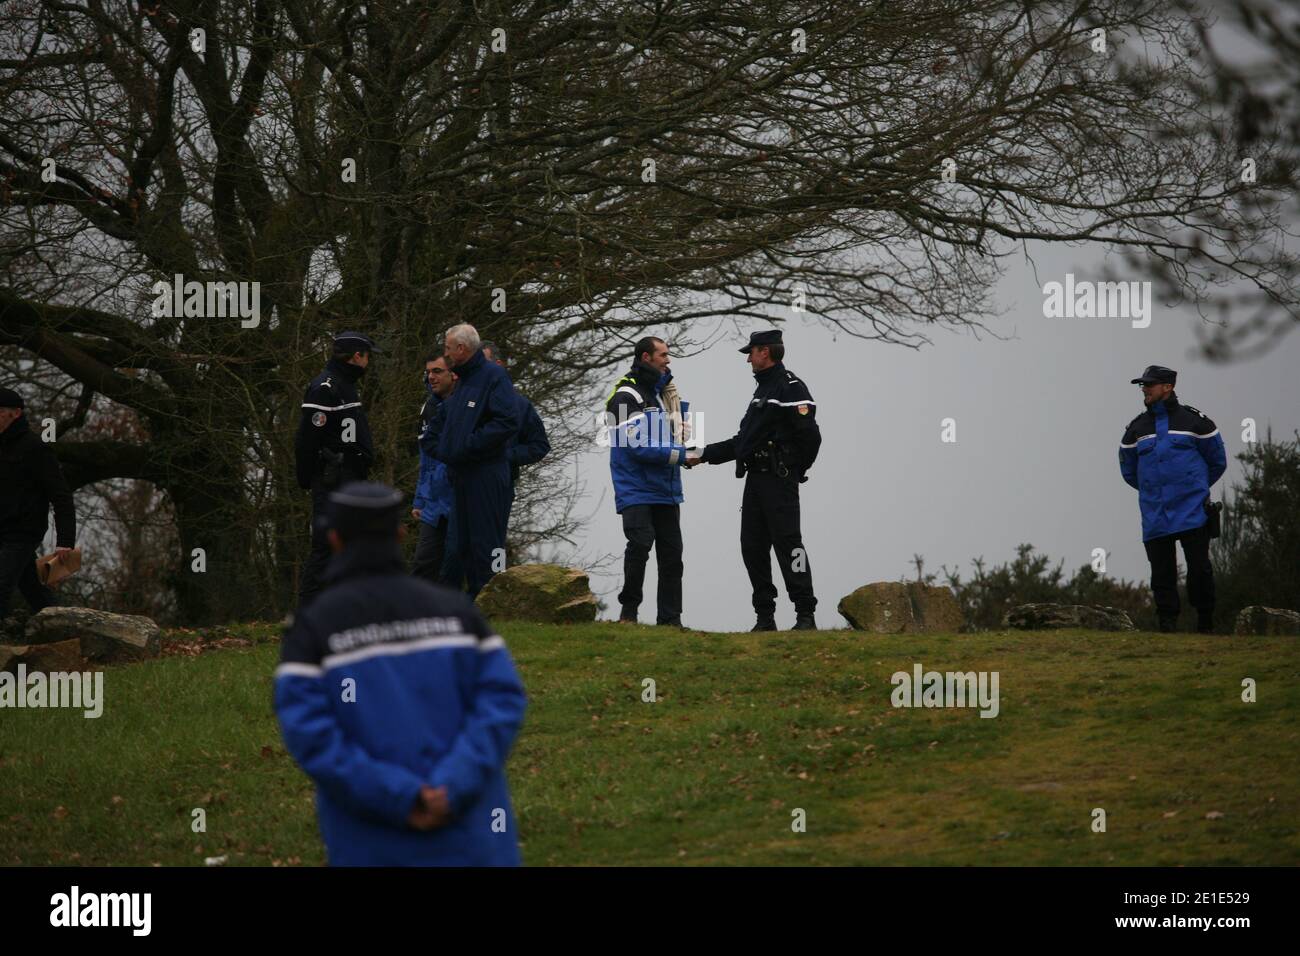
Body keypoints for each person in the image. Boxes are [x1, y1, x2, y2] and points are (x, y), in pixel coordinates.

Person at [274, 481, 527, 866]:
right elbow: (502, 701)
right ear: (400, 534)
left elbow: (313, 736)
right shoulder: (458, 612)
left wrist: (401, 796)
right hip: (474, 844)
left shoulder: (312, 631)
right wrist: (450, 785)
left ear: (335, 539)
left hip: (373, 844)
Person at [686, 331, 821, 631]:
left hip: (779, 480)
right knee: (752, 546)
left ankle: (805, 613)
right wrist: (703, 453)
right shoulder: (761, 391)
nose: (748, 358)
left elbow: (811, 436)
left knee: (790, 546)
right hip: (756, 481)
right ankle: (765, 616)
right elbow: (742, 443)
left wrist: (795, 469)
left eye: (752, 352)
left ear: (766, 352)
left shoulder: (790, 388)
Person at [1119, 365, 1227, 633]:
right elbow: (1129, 470)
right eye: (1142, 385)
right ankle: (1167, 625)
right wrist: (1154, 492)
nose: (1144, 389)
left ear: (1168, 387)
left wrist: (1193, 489)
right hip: (1155, 514)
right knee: (1162, 575)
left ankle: (1205, 622)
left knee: (1200, 570)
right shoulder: (1136, 428)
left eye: (1150, 385)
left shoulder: (1196, 422)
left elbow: (1217, 461)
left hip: (1193, 511)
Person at [427, 324, 520, 598]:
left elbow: (507, 422)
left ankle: (490, 606)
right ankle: (461, 610)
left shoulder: (494, 377)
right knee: (458, 548)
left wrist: (467, 447)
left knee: (486, 547)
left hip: (487, 476)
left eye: (447, 348)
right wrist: (444, 449)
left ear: (461, 349)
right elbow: (440, 427)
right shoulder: (462, 381)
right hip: (461, 477)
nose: (444, 353)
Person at [606, 336, 688, 626]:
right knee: (640, 547)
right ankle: (629, 614)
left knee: (672, 556)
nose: (668, 360)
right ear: (645, 357)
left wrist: (681, 430)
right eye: (663, 355)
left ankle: (670, 620)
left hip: (665, 488)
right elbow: (637, 445)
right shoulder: (624, 396)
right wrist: (681, 456)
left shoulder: (663, 394)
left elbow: (673, 437)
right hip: (636, 488)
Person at [295, 332, 379, 606]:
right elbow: (308, 438)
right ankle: (309, 612)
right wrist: (308, 477)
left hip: (349, 479)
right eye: (367, 357)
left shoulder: (345, 384)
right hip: (332, 480)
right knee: (325, 545)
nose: (368, 363)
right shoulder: (326, 387)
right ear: (357, 356)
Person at [0, 387, 76, 622]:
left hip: (22, 532)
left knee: (1, 584)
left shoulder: (36, 448)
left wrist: (65, 541)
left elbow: (61, 495)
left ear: (16, 414)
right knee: (34, 590)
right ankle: (64, 629)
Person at [481, 341, 551, 509]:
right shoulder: (457, 400)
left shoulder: (519, 406)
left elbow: (540, 445)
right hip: (458, 489)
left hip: (499, 489)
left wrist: (506, 456)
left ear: (499, 366)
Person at [411, 354, 456, 585]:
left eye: (437, 371)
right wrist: (420, 500)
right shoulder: (427, 408)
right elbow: (425, 460)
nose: (431, 377)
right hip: (434, 504)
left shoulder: (468, 405)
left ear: (453, 374)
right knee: (423, 564)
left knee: (455, 568)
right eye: (429, 372)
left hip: (461, 499)